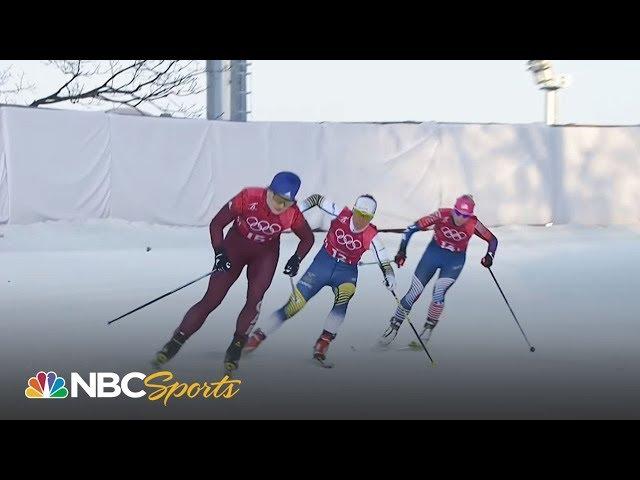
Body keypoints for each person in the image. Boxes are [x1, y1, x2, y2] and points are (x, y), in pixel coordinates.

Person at [152, 171, 315, 372]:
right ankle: (176, 341)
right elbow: (217, 223)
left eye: (287, 202)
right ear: (268, 191)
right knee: (212, 299)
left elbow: (308, 239)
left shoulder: (293, 213)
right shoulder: (249, 197)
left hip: (265, 254)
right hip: (235, 247)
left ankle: (237, 344)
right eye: (277, 199)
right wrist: (219, 253)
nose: (280, 206)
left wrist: (296, 258)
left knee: (255, 298)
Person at [244, 193, 396, 366]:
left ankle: (324, 340)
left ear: (372, 217)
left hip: (346, 272)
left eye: (367, 217)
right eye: (359, 214)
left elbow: (384, 260)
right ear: (353, 210)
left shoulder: (372, 234)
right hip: (323, 264)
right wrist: (293, 213)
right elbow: (316, 199)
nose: (361, 220)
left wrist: (389, 275)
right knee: (295, 304)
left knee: (343, 299)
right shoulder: (342, 214)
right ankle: (259, 335)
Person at [378, 194, 497, 346]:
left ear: (471, 215)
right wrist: (402, 251)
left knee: (439, 292)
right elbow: (410, 229)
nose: (460, 218)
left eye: (465, 215)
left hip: (454, 261)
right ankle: (393, 327)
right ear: (454, 209)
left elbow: (492, 240)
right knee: (415, 290)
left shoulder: (473, 223)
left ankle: (427, 330)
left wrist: (489, 256)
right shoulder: (442, 214)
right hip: (433, 254)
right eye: (458, 213)